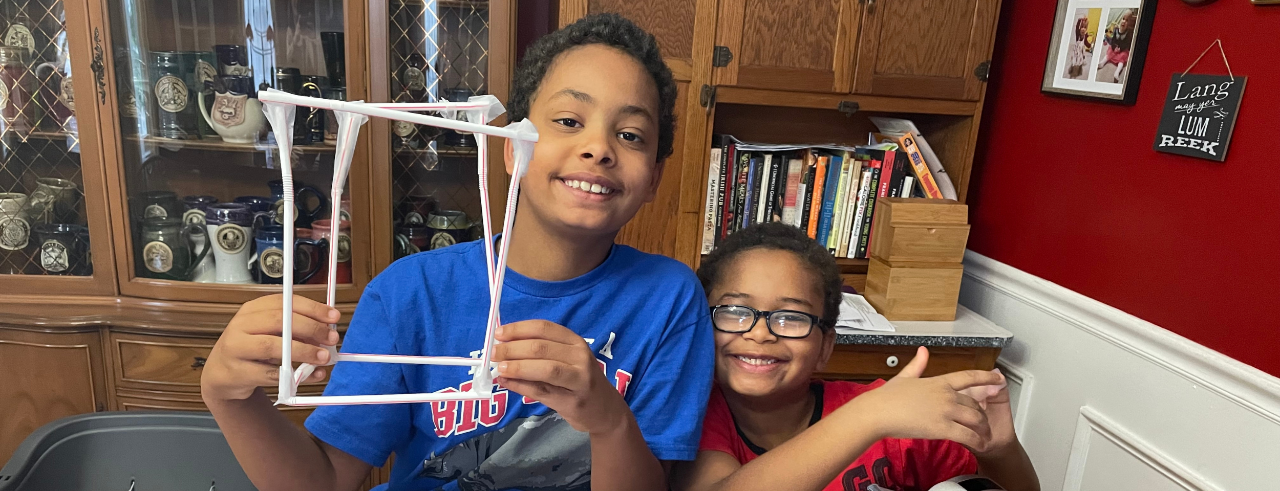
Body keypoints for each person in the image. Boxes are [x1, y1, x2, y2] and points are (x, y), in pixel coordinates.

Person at [200, 13, 714, 491]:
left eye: (629, 134)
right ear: (512, 147)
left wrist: (608, 420)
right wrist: (227, 397)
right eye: (569, 121)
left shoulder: (669, 299)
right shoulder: (409, 293)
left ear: (653, 180)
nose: (598, 147)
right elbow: (326, 480)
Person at [673, 222, 1039, 491]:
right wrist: (869, 416)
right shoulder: (694, 415)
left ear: (825, 347)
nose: (760, 332)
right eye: (735, 311)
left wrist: (1001, 450)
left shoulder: (888, 415)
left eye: (792, 317)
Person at [1065, 16, 1092, 80]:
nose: (1083, 29)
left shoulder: (1085, 36)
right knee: (1074, 61)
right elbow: (1077, 27)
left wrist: (1090, 45)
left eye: (1085, 28)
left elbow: (1087, 44)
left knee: (1079, 62)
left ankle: (1079, 69)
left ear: (1086, 29)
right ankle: (1072, 70)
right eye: (1082, 27)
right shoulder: (1078, 34)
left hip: (1081, 53)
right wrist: (1080, 19)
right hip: (1076, 51)